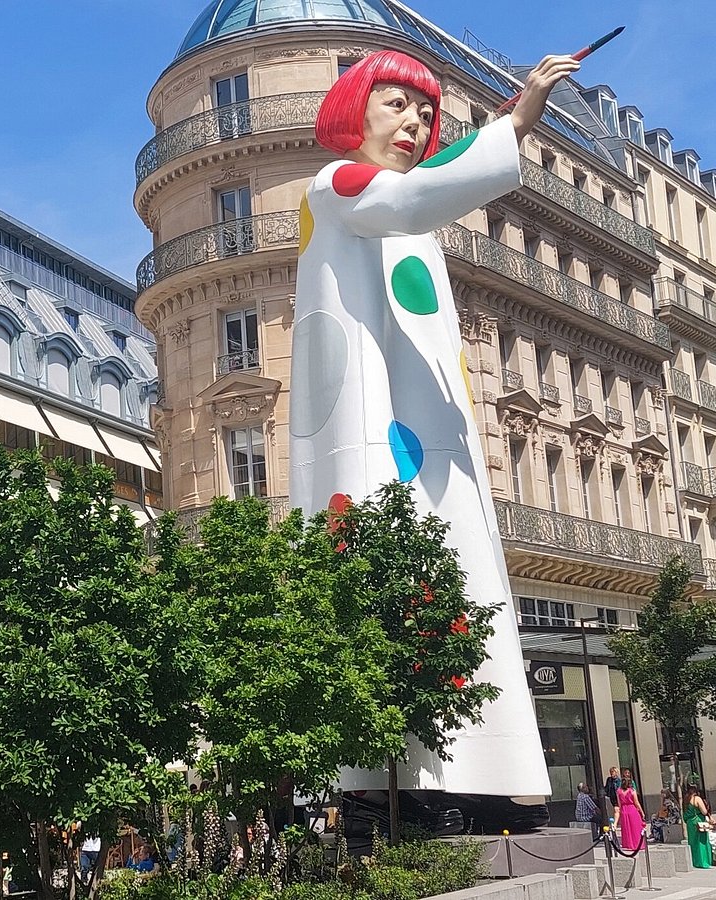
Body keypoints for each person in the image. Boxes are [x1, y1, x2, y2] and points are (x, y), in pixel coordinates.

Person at [292, 47, 579, 797]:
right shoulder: (340, 183)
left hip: (428, 432)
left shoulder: (403, 204)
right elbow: (410, 196)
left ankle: (475, 775)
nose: (416, 123)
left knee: (451, 569)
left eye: (425, 112)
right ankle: (384, 786)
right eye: (397, 106)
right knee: (392, 560)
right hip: (373, 420)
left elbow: (422, 190)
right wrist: (516, 121)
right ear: (356, 111)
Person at [684, 786, 712, 869]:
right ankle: (703, 862)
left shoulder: (686, 800)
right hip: (698, 822)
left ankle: (694, 861)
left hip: (690, 823)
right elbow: (704, 811)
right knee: (701, 842)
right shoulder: (697, 799)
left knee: (692, 842)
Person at [617, 775, 646, 852]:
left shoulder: (619, 791)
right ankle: (637, 844)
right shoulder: (632, 791)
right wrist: (642, 812)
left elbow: (619, 804)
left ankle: (628, 844)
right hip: (632, 809)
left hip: (624, 810)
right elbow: (636, 803)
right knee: (636, 827)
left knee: (626, 828)